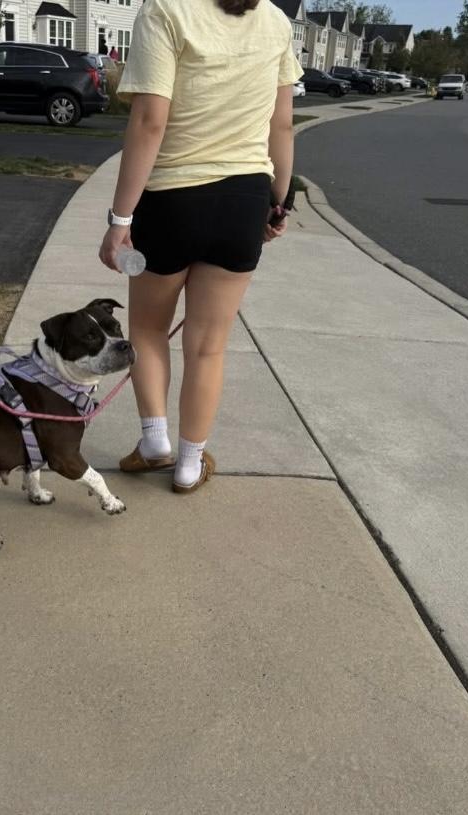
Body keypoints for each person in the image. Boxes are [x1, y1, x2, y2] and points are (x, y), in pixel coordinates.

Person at [98, 0, 302, 494]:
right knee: (208, 346)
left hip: (171, 200)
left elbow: (150, 120)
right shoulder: (274, 20)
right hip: (244, 201)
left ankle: (154, 442)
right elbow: (281, 124)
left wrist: (120, 219)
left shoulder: (165, 9)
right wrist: (278, 205)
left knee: (148, 330)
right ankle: (190, 464)